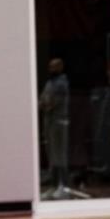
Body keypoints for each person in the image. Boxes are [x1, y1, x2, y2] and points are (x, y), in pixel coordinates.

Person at [39, 57, 71, 199]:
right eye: (50, 66)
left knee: (59, 155)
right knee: (52, 155)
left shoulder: (62, 83)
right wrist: (42, 104)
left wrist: (45, 104)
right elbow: (42, 100)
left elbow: (51, 103)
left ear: (60, 67)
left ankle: (64, 186)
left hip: (59, 122)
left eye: (54, 66)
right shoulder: (49, 83)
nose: (51, 69)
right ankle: (53, 186)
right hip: (49, 122)